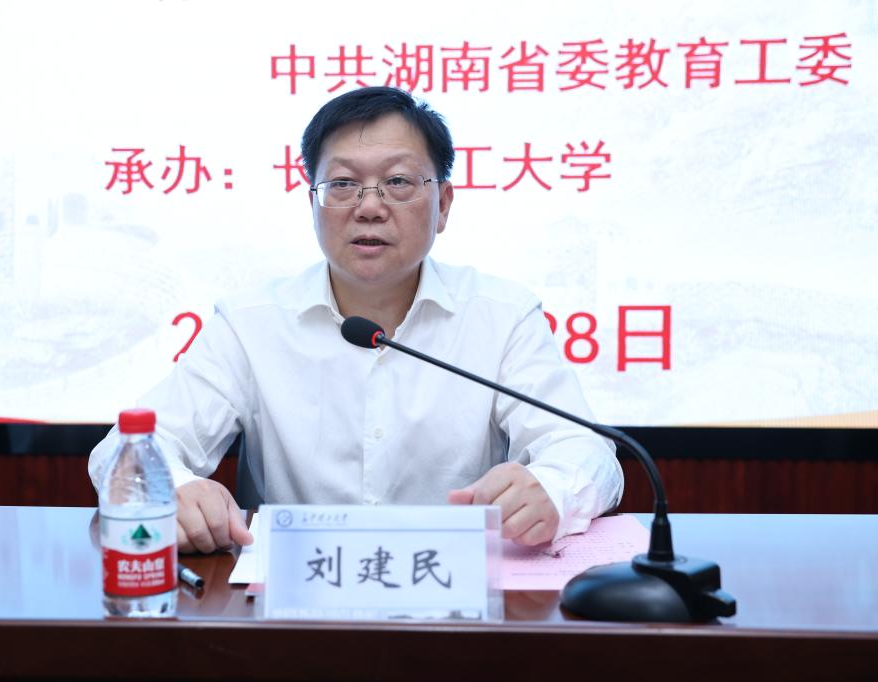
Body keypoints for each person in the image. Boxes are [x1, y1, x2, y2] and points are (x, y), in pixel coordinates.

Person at [89, 86, 623, 554]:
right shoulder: (250, 324)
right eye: (343, 184)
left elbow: (586, 451)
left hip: (454, 602)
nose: (369, 207)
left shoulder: (502, 316)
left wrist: (552, 490)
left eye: (398, 181)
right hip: (292, 605)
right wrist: (173, 488)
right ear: (313, 203)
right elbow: (123, 450)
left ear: (443, 205)